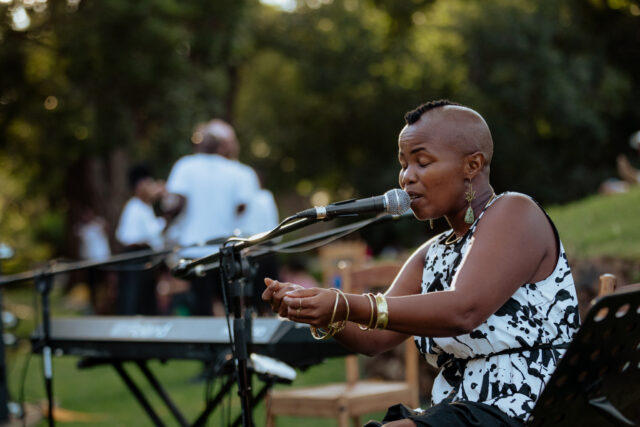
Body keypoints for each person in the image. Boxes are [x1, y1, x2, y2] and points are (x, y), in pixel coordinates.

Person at [262, 100, 580, 426]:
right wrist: (323, 312)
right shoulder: (433, 253)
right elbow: (376, 339)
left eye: (422, 162)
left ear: (472, 165)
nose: (406, 178)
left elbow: (463, 310)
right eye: (404, 164)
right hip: (459, 409)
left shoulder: (515, 212)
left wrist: (346, 304)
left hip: (532, 406)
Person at [165, 119, 259, 317]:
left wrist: (166, 219)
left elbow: (177, 203)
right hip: (226, 248)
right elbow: (242, 207)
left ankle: (203, 345)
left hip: (195, 249)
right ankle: (231, 343)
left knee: (200, 307)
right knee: (231, 305)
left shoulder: (185, 165)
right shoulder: (236, 171)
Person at [115, 164, 167, 315]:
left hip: (144, 257)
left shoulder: (146, 207)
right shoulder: (134, 207)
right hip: (135, 257)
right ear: (139, 187)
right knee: (133, 299)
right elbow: (135, 237)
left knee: (145, 300)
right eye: (148, 183)